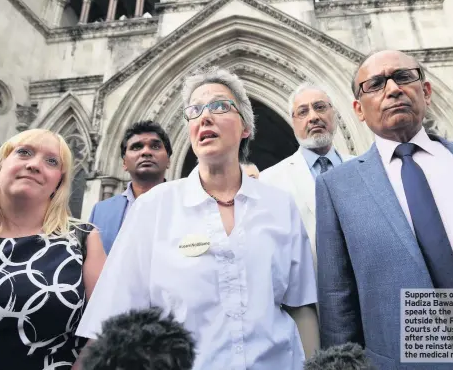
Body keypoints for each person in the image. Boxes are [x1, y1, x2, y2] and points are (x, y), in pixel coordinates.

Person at [76, 67, 318, 369]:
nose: (205, 117)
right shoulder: (153, 208)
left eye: (219, 106)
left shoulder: (280, 205)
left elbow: (301, 307)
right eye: (194, 110)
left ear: (245, 127)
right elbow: (113, 318)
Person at [316, 50, 453, 369]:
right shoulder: (337, 186)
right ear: (358, 110)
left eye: (404, 77)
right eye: (376, 84)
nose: (393, 89)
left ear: (427, 92)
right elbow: (338, 302)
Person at [0, 128, 106, 370]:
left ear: (60, 180)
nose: (35, 165)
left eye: (51, 161)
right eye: (24, 153)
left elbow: (103, 326)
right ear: (1, 164)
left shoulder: (83, 238)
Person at [260, 83, 355, 262]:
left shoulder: (361, 168)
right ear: (293, 122)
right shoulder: (270, 181)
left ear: (334, 114)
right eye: (303, 112)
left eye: (320, 107)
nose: (313, 117)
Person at [89, 120, 172, 254]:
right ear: (124, 163)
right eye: (136, 147)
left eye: (155, 147)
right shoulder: (100, 211)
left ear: (168, 160)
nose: (146, 152)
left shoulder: (186, 206)